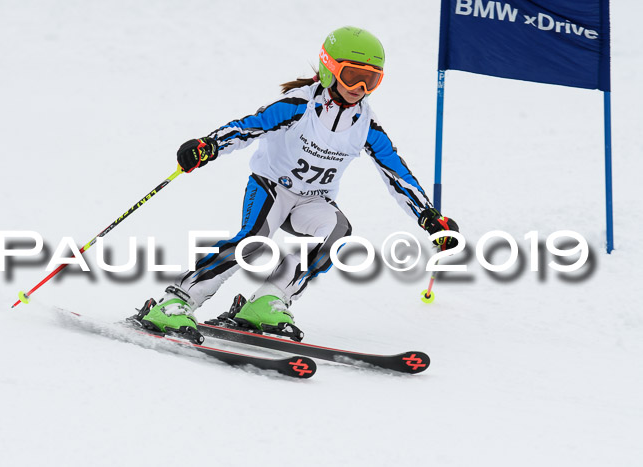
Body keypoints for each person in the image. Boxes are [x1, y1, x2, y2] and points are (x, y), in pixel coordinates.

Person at [133, 26, 459, 340]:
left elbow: (396, 174)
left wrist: (428, 217)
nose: (359, 88)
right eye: (352, 76)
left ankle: (268, 301)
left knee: (337, 233)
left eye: (370, 80)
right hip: (272, 187)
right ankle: (177, 300)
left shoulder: (366, 125)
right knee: (254, 241)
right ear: (329, 69)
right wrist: (210, 145)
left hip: (314, 200)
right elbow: (249, 127)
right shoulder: (299, 105)